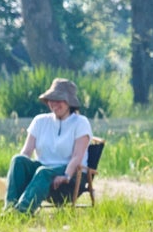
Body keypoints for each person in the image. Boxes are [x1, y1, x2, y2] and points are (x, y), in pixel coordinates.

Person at [6, 77, 92, 213]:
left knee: (44, 172)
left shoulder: (81, 123)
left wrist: (66, 175)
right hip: (40, 171)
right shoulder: (40, 121)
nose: (54, 104)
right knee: (18, 160)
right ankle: (9, 209)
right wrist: (22, 170)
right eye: (52, 99)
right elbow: (26, 152)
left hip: (68, 174)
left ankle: (22, 212)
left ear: (69, 102)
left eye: (59, 100)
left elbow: (77, 156)